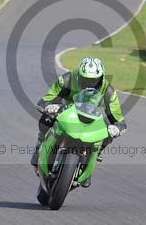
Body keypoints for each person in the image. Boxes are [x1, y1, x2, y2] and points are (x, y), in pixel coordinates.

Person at [31, 57, 126, 187]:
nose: (89, 83)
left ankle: (90, 162)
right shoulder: (66, 79)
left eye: (93, 80)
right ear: (79, 76)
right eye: (85, 79)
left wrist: (117, 127)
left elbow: (118, 118)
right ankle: (38, 152)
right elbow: (46, 99)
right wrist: (49, 106)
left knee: (107, 132)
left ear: (101, 78)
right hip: (66, 112)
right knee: (46, 120)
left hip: (92, 117)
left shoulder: (108, 90)